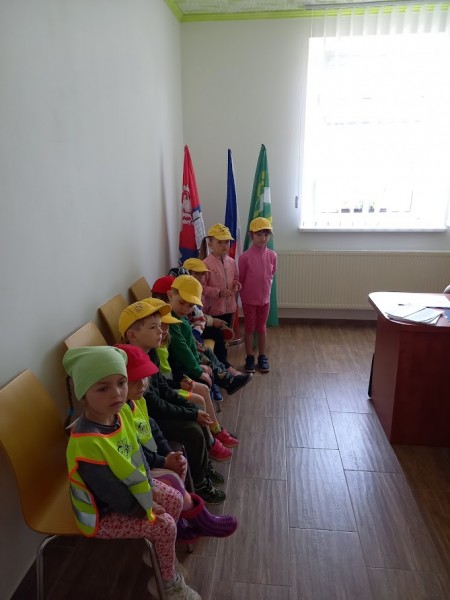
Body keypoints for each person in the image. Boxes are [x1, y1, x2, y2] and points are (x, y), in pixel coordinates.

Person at [63, 345, 201, 600]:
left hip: (131, 493)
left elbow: (138, 456)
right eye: (103, 388)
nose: (116, 393)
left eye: (121, 382)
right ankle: (167, 584)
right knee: (164, 525)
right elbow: (110, 492)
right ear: (83, 395)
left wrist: (150, 487)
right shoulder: (86, 442)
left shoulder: (120, 413)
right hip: (102, 512)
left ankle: (159, 555)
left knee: (173, 498)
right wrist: (144, 507)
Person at [115, 343, 238, 544]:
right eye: (136, 380)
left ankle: (182, 515)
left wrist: (167, 454)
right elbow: (135, 452)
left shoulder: (136, 400)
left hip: (150, 457)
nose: (144, 384)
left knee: (179, 462)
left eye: (145, 378)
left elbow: (152, 427)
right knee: (172, 475)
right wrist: (163, 461)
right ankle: (196, 517)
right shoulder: (120, 414)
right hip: (139, 469)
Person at [118, 298, 229, 503]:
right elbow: (156, 406)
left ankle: (204, 467)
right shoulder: (132, 367)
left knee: (197, 412)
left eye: (160, 326)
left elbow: (164, 389)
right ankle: (199, 483)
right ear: (132, 335)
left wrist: (193, 410)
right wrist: (191, 414)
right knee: (193, 430)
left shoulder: (150, 353)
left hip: (157, 413)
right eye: (153, 327)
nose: (161, 332)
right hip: (151, 420)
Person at [166, 274, 252, 396]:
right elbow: (181, 349)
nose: (185, 309)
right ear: (170, 295)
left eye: (190, 306)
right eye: (181, 302)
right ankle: (228, 381)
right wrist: (198, 370)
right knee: (208, 363)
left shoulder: (180, 316)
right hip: (181, 364)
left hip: (190, 355)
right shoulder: (170, 320)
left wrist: (195, 345)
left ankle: (227, 376)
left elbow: (187, 337)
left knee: (208, 352)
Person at [238, 217, 277, 373]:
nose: (263, 238)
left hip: (265, 300)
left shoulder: (272, 256)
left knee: (261, 328)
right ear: (251, 235)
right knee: (249, 327)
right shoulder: (245, 257)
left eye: (266, 234)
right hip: (249, 299)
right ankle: (249, 357)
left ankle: (262, 356)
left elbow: (271, 273)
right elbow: (241, 279)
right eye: (259, 234)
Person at [182, 257, 235, 369]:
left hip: (196, 324)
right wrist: (210, 321)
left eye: (202, 274)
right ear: (187, 273)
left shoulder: (195, 290)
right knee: (216, 334)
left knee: (218, 333)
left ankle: (224, 365)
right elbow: (189, 318)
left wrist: (211, 320)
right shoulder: (185, 293)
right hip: (191, 330)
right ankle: (223, 367)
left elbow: (197, 313)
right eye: (197, 273)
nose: (201, 277)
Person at [199, 223, 240, 328]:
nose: (224, 245)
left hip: (230, 308)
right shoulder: (205, 264)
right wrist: (218, 293)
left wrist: (236, 285)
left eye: (227, 242)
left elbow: (236, 278)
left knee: (227, 333)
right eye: (220, 242)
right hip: (213, 311)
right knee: (216, 336)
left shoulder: (232, 262)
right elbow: (201, 287)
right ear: (210, 244)